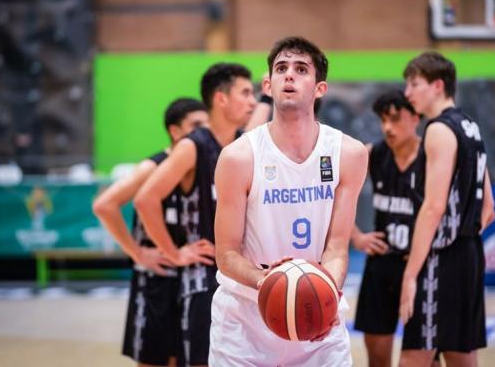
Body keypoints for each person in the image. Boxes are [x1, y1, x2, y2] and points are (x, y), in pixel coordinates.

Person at [209, 36, 368, 366]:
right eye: (281, 69)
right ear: (268, 85)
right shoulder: (239, 157)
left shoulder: (349, 154)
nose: (289, 75)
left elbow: (337, 248)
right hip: (245, 325)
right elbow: (226, 254)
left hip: (317, 317)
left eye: (301, 69)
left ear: (320, 89)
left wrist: (326, 291)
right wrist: (270, 282)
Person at [134, 63, 257, 367]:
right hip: (204, 284)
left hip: (243, 276)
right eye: (245, 93)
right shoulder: (193, 146)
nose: (252, 101)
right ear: (221, 98)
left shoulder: (245, 144)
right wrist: (174, 253)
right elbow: (146, 199)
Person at [93, 98, 209, 367]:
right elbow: (104, 205)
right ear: (175, 131)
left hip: (187, 278)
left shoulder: (202, 163)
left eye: (206, 125)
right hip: (157, 279)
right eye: (196, 125)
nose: (203, 131)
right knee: (154, 360)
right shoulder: (154, 166)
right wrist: (138, 253)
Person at [398, 52, 495, 367]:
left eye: (414, 84)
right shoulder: (470, 126)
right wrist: (464, 233)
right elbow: (489, 208)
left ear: (437, 86)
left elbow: (434, 208)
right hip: (470, 254)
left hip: (440, 257)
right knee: (460, 354)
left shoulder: (439, 130)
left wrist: (411, 274)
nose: (407, 93)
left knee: (414, 357)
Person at [351, 89, 423, 367]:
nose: (387, 128)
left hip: (419, 267)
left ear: (415, 118)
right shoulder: (373, 153)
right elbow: (330, 193)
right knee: (377, 358)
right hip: (380, 265)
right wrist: (357, 237)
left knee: (424, 359)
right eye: (383, 120)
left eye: (395, 119)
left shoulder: (432, 156)